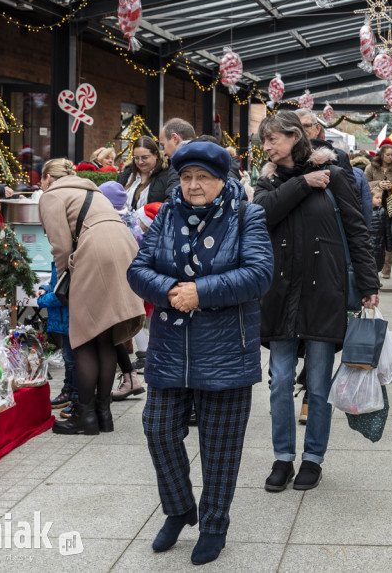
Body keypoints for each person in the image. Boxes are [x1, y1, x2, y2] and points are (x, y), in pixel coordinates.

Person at [127, 141, 273, 565]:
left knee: (219, 446)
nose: (193, 185)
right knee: (158, 429)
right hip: (170, 347)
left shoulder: (247, 214)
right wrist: (171, 289)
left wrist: (201, 292)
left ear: (221, 180)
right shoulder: (167, 213)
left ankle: (213, 525)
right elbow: (138, 269)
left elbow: (259, 273)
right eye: (187, 177)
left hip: (226, 349)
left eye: (203, 178)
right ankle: (178, 508)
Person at [254, 111, 379, 492]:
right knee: (279, 382)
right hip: (280, 294)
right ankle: (282, 457)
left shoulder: (335, 175)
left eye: (272, 139)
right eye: (264, 141)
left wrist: (369, 283)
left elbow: (357, 229)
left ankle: (313, 458)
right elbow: (262, 216)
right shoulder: (267, 181)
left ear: (294, 137)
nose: (266, 147)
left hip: (324, 291)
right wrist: (303, 183)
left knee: (319, 384)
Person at [38, 158, 145, 435]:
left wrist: (64, 281)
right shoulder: (89, 189)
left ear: (48, 178)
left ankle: (84, 417)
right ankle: (103, 414)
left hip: (94, 251)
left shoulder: (51, 195)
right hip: (123, 247)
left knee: (85, 337)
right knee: (105, 336)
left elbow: (61, 246)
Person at [97, 181, 147, 400]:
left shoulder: (112, 224)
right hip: (129, 282)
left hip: (115, 283)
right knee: (114, 331)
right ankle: (130, 377)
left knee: (109, 332)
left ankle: (127, 378)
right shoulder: (131, 220)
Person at [38, 262, 75, 418]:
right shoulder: (59, 260)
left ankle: (76, 396)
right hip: (63, 321)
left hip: (70, 320)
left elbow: (63, 293)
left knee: (73, 360)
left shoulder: (68, 260)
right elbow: (57, 285)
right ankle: (68, 391)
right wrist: (45, 289)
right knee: (69, 359)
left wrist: (43, 299)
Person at [364, 140, 392, 278]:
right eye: (388, 154)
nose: (391, 157)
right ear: (381, 155)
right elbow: (365, 183)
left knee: (388, 236)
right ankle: (375, 266)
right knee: (375, 236)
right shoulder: (371, 167)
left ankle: (387, 269)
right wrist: (378, 184)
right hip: (374, 205)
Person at [118, 136, 180, 211]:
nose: (140, 162)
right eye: (136, 158)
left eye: (144, 157)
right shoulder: (128, 173)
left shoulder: (166, 175)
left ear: (156, 154)